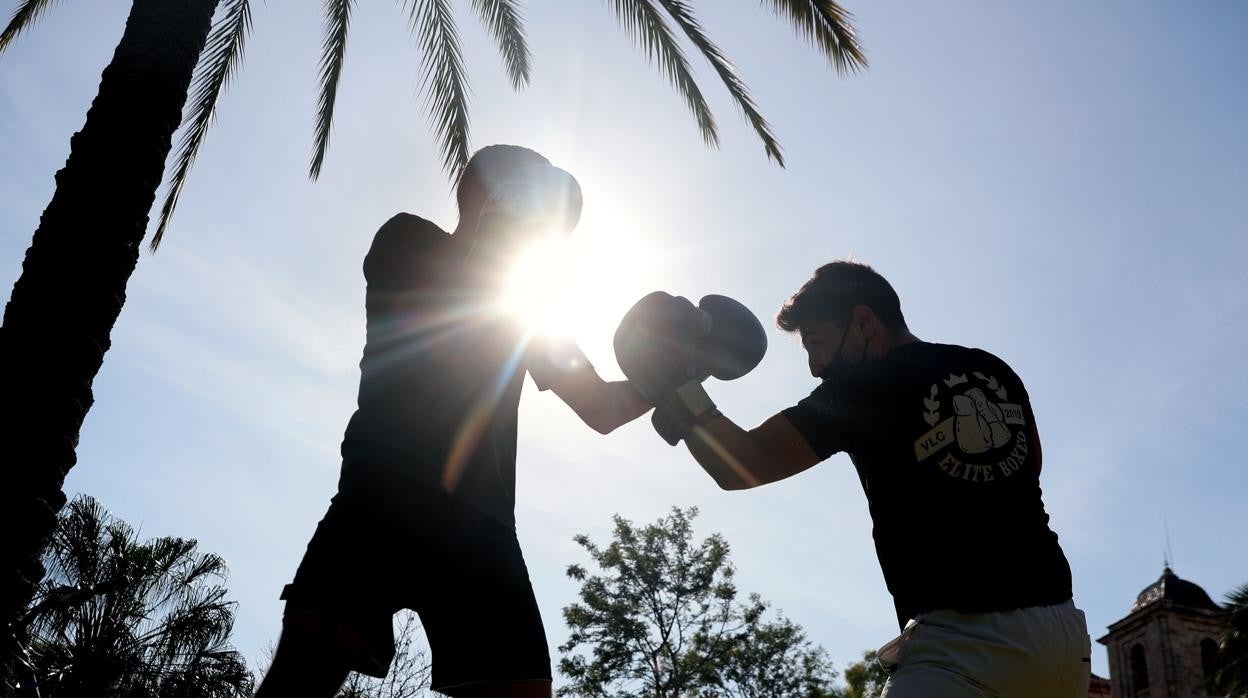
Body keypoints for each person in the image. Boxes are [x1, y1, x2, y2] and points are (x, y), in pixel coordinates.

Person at [256, 145, 652, 698]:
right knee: (304, 676)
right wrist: (506, 231)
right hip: (383, 493)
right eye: (527, 191)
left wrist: (674, 374)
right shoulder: (408, 240)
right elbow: (445, 318)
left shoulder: (529, 308)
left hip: (482, 524)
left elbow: (602, 409)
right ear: (480, 193)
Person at [614, 261, 1091, 697]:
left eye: (817, 342)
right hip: (1065, 638)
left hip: (965, 646)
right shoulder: (991, 367)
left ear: (863, 322)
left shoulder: (864, 385)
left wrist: (675, 385)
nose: (816, 365)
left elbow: (741, 462)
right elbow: (1030, 465)